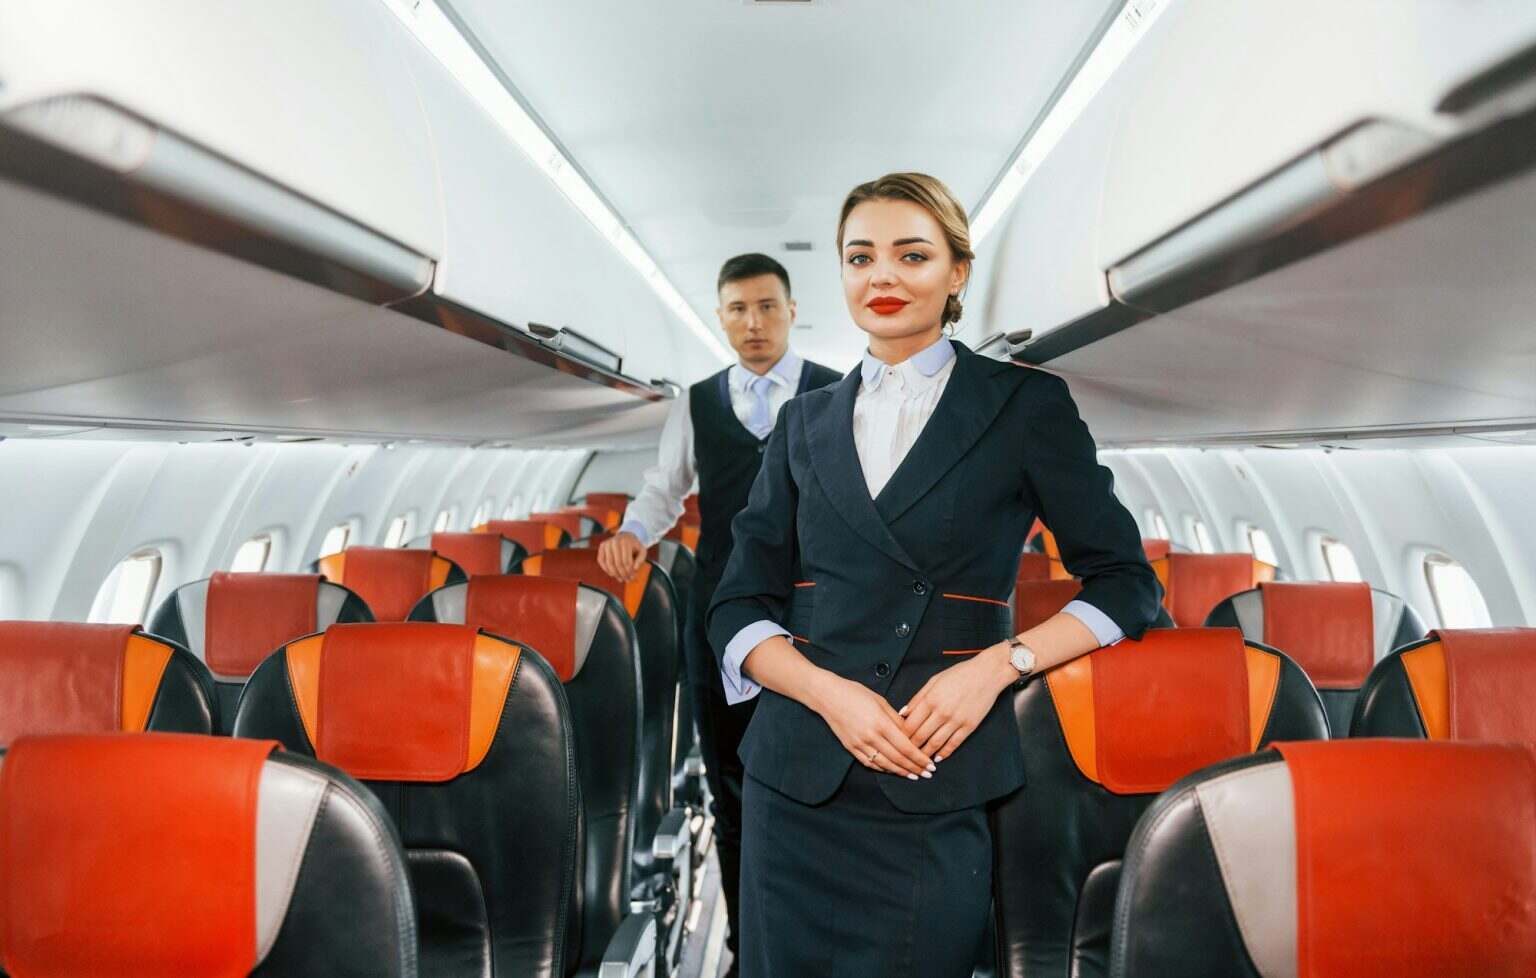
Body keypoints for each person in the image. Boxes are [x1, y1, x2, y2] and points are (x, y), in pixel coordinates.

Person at [706, 173, 1161, 978]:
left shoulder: (1023, 406)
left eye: (911, 255)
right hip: (798, 780)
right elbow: (738, 605)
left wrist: (999, 666)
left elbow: (1126, 582)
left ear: (956, 273)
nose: (881, 277)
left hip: (937, 766)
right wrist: (828, 694)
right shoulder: (801, 424)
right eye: (860, 257)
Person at [596, 252, 843, 972]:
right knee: (733, 790)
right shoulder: (697, 402)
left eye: (767, 306)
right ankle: (748, 946)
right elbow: (663, 491)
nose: (753, 323)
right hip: (721, 619)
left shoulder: (838, 394)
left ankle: (818, 943)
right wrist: (634, 535)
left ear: (793, 311)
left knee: (821, 785)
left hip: (817, 619)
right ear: (721, 316)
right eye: (738, 309)